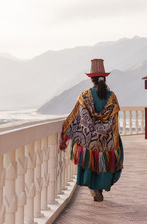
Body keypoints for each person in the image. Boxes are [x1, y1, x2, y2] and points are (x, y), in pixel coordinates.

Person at [59, 59, 123, 202]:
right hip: (108, 139)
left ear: (91, 79)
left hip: (89, 140)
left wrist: (65, 137)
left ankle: (93, 188)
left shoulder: (84, 96)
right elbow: (114, 119)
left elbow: (78, 118)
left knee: (90, 160)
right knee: (105, 162)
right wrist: (104, 131)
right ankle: (100, 188)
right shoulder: (112, 97)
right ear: (104, 78)